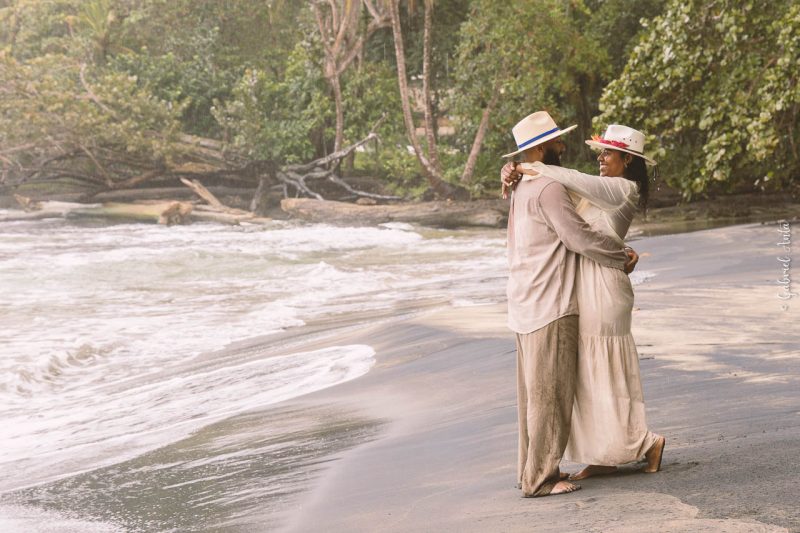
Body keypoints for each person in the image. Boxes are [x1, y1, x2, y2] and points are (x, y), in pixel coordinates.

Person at [501, 124, 666, 482]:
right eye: (600, 153)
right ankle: (605, 455)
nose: (601, 159)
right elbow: (560, 204)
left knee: (605, 371)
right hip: (584, 283)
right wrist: (515, 169)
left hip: (605, 284)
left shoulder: (623, 189)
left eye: (608, 153)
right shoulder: (598, 189)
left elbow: (567, 178)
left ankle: (645, 442)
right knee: (590, 375)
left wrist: (527, 165)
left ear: (627, 160)